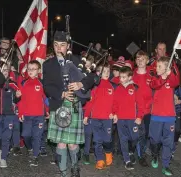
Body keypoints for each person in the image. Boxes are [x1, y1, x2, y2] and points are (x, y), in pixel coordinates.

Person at [43, 31, 84, 177]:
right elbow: (47, 86)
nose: (59, 48)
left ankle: (75, 167)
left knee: (72, 143)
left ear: (68, 46)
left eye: (62, 45)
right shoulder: (48, 64)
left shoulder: (78, 61)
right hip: (58, 104)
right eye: (56, 45)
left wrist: (80, 83)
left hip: (74, 104)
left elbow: (92, 79)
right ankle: (63, 172)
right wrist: (62, 93)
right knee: (61, 143)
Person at [149, 56, 180, 176]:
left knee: (168, 142)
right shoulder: (154, 78)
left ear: (166, 68)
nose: (156, 68)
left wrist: (170, 73)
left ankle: (166, 165)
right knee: (154, 139)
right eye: (157, 66)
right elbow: (154, 85)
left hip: (169, 117)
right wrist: (163, 77)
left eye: (159, 66)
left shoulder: (171, 79)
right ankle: (155, 155)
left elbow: (175, 82)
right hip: (156, 116)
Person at [83, 62, 115, 170]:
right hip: (95, 118)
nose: (106, 73)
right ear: (98, 73)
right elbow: (90, 102)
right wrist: (87, 115)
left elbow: (116, 102)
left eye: (108, 71)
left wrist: (114, 113)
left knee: (107, 139)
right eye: (103, 71)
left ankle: (108, 152)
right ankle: (100, 160)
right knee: (97, 140)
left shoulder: (112, 86)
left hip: (107, 119)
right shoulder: (95, 86)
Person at [18, 60, 47, 167]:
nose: (31, 71)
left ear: (38, 71)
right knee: (25, 135)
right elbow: (21, 100)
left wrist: (47, 111)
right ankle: (30, 148)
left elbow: (45, 99)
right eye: (29, 69)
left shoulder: (42, 83)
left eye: (34, 69)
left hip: (39, 115)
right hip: (27, 115)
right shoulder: (23, 83)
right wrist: (20, 113)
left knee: (37, 136)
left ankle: (35, 156)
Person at [0, 66, 21, 168]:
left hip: (9, 115)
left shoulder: (13, 84)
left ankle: (3, 157)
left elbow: (16, 101)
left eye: (6, 70)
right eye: (2, 70)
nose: (4, 72)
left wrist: (18, 96)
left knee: (7, 137)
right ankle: (0, 148)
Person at [132, 50, 153, 167]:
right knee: (139, 133)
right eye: (138, 59)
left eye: (142, 59)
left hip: (149, 110)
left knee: (147, 134)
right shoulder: (132, 76)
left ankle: (144, 149)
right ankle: (141, 156)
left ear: (147, 60)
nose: (140, 61)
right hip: (136, 110)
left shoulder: (151, 75)